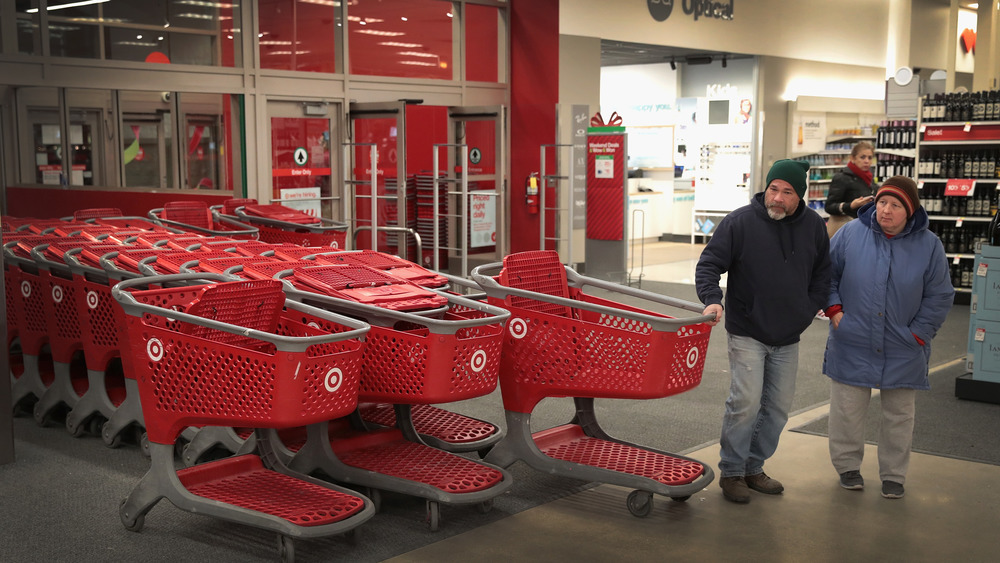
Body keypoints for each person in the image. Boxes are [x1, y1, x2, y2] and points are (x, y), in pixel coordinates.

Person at [696, 159, 832, 504]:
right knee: (745, 402)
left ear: (799, 196)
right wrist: (713, 299)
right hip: (747, 329)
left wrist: (806, 308)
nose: (778, 198)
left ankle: (753, 467)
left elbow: (822, 273)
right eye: (774, 189)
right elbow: (709, 264)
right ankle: (732, 472)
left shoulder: (814, 226)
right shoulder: (740, 222)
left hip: (788, 333)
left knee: (778, 408)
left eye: (787, 192)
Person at [823, 176, 953, 499]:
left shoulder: (930, 246)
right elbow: (826, 274)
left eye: (895, 205)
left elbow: (940, 295)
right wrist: (835, 310)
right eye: (882, 202)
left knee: (899, 415)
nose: (886, 211)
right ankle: (847, 467)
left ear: (910, 211)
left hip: (903, 345)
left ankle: (894, 474)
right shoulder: (851, 234)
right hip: (852, 337)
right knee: (846, 409)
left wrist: (919, 334)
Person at [824, 141, 877, 238]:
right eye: (862, 157)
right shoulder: (842, 177)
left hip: (863, 230)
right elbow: (829, 206)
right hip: (845, 231)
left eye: (870, 158)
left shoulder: (869, 179)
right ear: (853, 158)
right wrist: (850, 205)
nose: (867, 161)